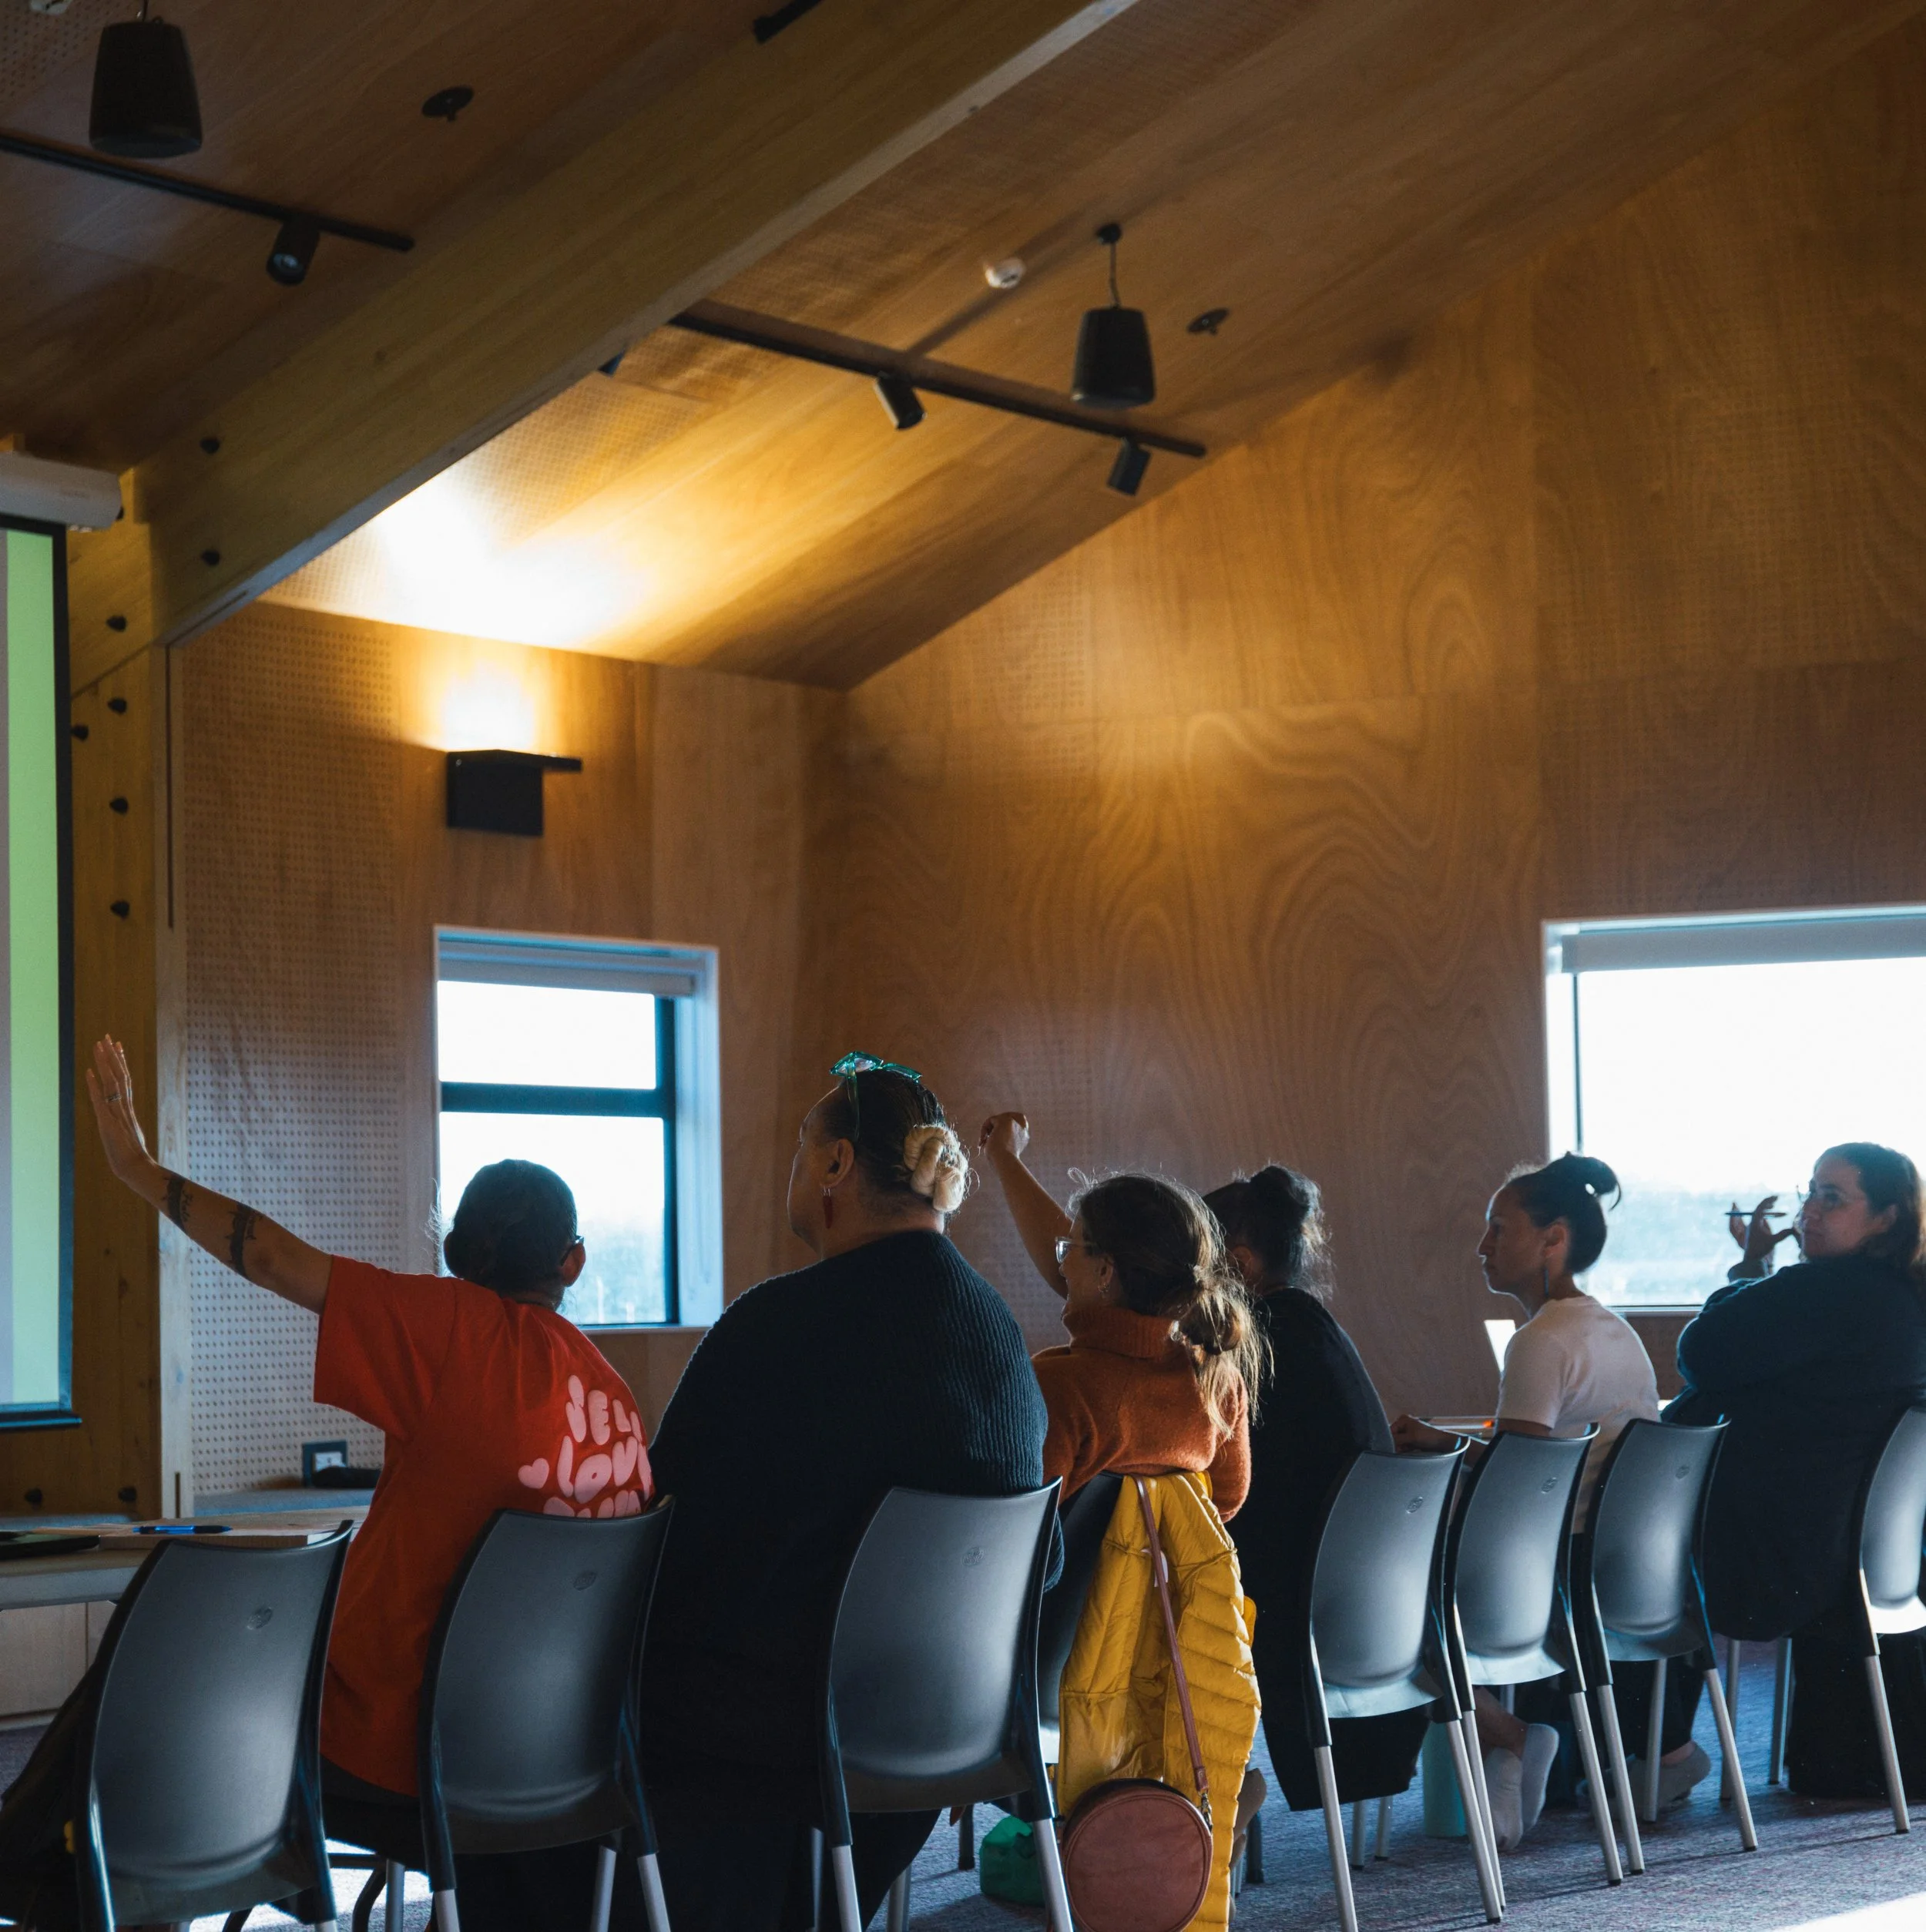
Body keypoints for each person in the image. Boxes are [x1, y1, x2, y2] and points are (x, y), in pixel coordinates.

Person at [0, 1036, 649, 1932]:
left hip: (395, 1747)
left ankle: (34, 1879)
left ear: (459, 1253)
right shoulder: (618, 1402)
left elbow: (273, 1258)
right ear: (571, 1263)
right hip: (564, 1760)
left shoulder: (453, 1329)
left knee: (156, 1677)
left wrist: (141, 1169)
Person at [638, 1056, 1048, 1932]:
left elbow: (665, 1539)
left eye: (801, 1146)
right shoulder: (998, 1334)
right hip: (958, 1724)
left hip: (791, 1735)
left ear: (835, 1168)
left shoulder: (774, 1326)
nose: (795, 1166)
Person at [1394, 1153, 1668, 1847]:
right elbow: (1539, 1462)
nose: (1483, 1246)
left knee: (1391, 1603)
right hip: (1618, 1569)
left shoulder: (1541, 1342)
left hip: (1548, 1579)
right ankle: (1509, 1755)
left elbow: (1515, 1488)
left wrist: (1436, 1450)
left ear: (1554, 1238)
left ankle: (1511, 1737)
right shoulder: (1612, 1330)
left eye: (1498, 1229)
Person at [1669, 1142, 1926, 1797]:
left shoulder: (1823, 1291)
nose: (1809, 1211)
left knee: (1625, 1544)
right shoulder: (1906, 1301)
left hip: (1779, 1547)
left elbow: (1701, 1352)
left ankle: (1654, 1752)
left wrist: (1752, 1268)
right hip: (1863, 1549)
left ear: (1886, 1219)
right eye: (1810, 1192)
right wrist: (1758, 1271)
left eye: (1832, 1199)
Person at [1203, 1166, 1428, 1819]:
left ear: (1239, 1266)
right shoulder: (1316, 1329)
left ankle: (1202, 1805)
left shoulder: (1260, 1349)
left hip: (1307, 1623)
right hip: (1375, 1621)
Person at [977, 1113, 1257, 1515]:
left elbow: (1016, 1524)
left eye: (1068, 1248)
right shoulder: (1218, 1382)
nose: (1062, 1264)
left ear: (1106, 1271)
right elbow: (1225, 1503)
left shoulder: (1059, 1389)